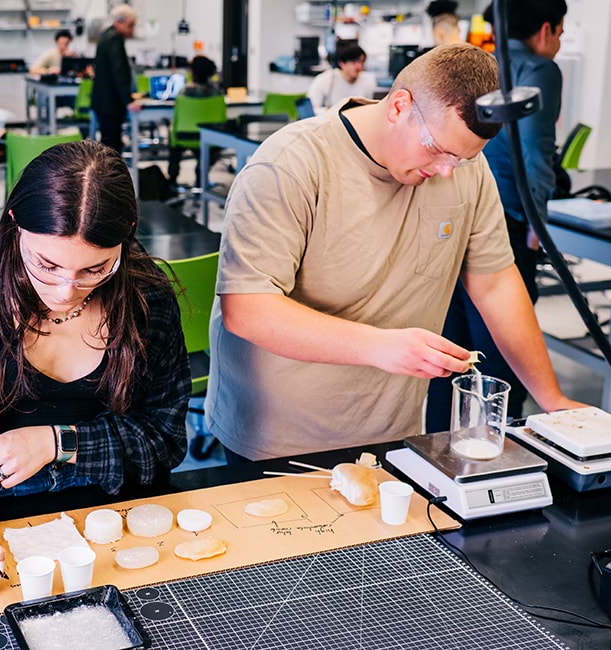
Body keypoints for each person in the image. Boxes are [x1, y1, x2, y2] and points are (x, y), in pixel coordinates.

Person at [204, 43, 583, 462]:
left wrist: (552, 399)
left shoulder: (464, 169)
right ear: (399, 106)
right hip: (280, 437)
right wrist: (382, 347)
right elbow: (249, 308)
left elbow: (494, 283)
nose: (445, 170)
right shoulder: (291, 165)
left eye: (461, 158)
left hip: (391, 432)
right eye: (437, 150)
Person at [0, 140, 190, 597]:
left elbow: (163, 438)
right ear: (14, 224)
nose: (66, 291)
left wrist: (57, 443)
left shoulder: (146, 295)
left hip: (115, 515)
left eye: (95, 269)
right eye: (47, 264)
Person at [426, 0, 567, 431]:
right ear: (546, 30)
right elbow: (535, 150)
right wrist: (538, 221)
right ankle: (495, 440)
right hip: (507, 212)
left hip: (458, 213)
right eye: (560, 32)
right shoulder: (542, 70)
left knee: (454, 343)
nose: (557, 43)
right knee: (500, 346)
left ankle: (436, 440)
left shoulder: (481, 64)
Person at [91, 4, 142, 151]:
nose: (132, 30)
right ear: (118, 21)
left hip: (103, 102)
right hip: (110, 103)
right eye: (130, 25)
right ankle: (110, 174)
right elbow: (118, 71)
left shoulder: (106, 35)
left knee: (108, 143)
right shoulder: (115, 39)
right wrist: (128, 101)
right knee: (111, 147)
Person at [166, 55, 222, 187]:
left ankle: (172, 179)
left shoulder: (184, 92)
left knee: (172, 136)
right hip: (210, 138)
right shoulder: (217, 94)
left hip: (184, 136)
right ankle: (201, 173)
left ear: (192, 71)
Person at [306, 44, 378, 111]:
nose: (358, 66)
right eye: (353, 62)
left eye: (361, 62)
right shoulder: (325, 80)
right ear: (342, 63)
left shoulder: (368, 81)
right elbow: (311, 109)